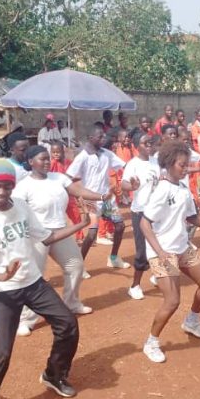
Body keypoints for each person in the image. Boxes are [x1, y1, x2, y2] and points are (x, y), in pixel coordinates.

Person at [0, 158, 87, 399]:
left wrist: (81, 225)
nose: (2, 192)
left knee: (67, 323)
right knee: (1, 353)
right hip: (5, 291)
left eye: (7, 186)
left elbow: (45, 237)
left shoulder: (20, 206)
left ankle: (54, 376)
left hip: (33, 283)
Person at [140, 140, 200, 363]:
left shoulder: (183, 189)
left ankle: (192, 321)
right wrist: (160, 252)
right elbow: (145, 224)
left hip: (182, 247)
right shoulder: (162, 190)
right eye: (182, 165)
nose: (186, 169)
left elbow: (192, 218)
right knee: (172, 300)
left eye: (186, 165)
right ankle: (151, 342)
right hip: (162, 251)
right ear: (170, 164)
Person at [13, 146, 111, 331]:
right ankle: (26, 319)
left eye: (48, 158)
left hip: (60, 230)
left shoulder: (58, 178)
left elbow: (78, 191)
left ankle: (71, 303)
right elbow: (17, 213)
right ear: (31, 162)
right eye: (42, 159)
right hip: (36, 236)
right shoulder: (23, 186)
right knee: (34, 277)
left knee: (75, 265)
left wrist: (103, 196)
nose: (47, 162)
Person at [66, 125, 131, 270]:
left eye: (103, 136)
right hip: (91, 200)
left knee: (120, 226)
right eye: (100, 137)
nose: (103, 139)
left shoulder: (107, 154)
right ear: (90, 138)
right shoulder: (82, 157)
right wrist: (80, 195)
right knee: (92, 233)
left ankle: (113, 258)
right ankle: (80, 264)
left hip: (107, 200)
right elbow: (69, 178)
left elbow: (124, 166)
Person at [121, 133, 161, 300]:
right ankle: (135, 285)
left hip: (156, 211)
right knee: (142, 251)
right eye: (145, 143)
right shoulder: (133, 164)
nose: (149, 145)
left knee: (160, 244)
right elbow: (124, 184)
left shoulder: (156, 162)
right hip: (141, 212)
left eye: (150, 142)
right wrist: (132, 186)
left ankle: (157, 275)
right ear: (137, 146)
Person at [50, 142, 83, 241]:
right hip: (56, 195)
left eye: (58, 152)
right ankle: (57, 237)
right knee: (56, 217)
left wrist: (75, 179)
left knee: (76, 215)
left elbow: (73, 176)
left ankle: (80, 236)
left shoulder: (68, 163)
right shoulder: (51, 164)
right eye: (53, 152)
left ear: (63, 152)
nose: (56, 154)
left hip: (69, 194)